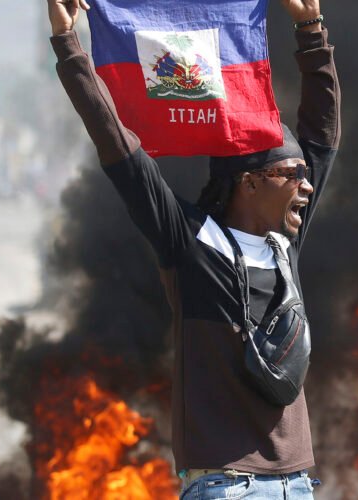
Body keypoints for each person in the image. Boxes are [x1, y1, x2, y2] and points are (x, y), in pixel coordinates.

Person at [47, 0, 340, 498]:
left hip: (297, 484)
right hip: (228, 487)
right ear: (249, 184)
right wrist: (69, 45)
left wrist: (309, 27)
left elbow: (323, 135)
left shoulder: (284, 245)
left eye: (305, 178)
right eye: (293, 175)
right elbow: (117, 143)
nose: (307, 187)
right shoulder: (190, 241)